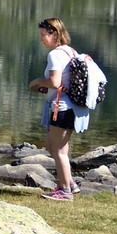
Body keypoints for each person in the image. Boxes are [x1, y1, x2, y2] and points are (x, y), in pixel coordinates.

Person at [27, 17, 89, 200]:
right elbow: (64, 81)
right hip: (72, 108)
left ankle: (64, 191)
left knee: (60, 150)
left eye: (43, 35)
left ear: (54, 34)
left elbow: (54, 82)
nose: (41, 39)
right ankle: (70, 183)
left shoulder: (54, 54)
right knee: (50, 144)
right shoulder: (70, 51)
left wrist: (38, 81)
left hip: (61, 108)